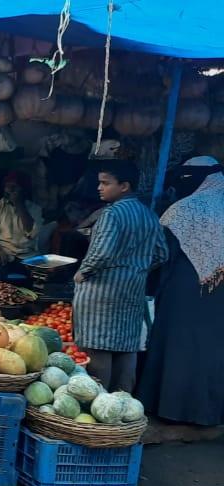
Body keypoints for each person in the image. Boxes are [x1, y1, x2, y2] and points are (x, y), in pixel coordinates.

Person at [139, 156, 224, 427]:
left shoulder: (184, 209)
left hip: (183, 288)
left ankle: (169, 408)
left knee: (176, 345)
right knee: (210, 351)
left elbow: (161, 254)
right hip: (216, 293)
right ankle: (206, 414)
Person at [73, 159, 167, 393]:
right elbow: (161, 254)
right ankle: (123, 402)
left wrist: (83, 272)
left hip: (101, 293)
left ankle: (100, 402)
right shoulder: (149, 215)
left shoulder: (111, 214)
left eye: (106, 183)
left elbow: (102, 253)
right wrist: (136, 267)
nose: (99, 188)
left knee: (98, 346)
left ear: (124, 186)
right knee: (126, 347)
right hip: (132, 290)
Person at [0, 170, 47, 269]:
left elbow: (32, 233)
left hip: (27, 254)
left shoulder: (35, 209)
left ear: (24, 190)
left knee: (42, 270)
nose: (10, 189)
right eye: (8, 186)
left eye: (15, 186)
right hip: (2, 251)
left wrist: (19, 205)